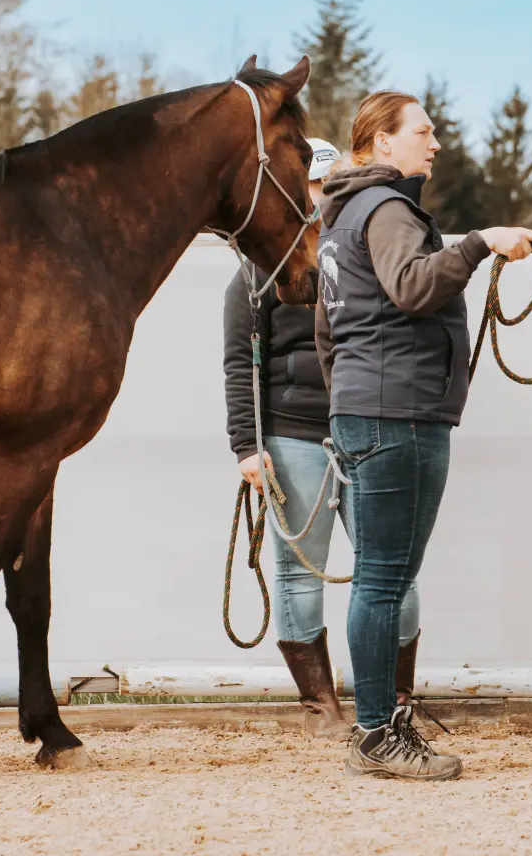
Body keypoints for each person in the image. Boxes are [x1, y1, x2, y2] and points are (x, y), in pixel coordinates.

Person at [316, 90, 532, 780]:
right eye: (423, 130)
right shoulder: (386, 209)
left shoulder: (343, 215)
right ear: (382, 143)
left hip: (372, 409)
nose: (435, 141)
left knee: (381, 580)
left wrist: (350, 398)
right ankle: (378, 733)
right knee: (385, 581)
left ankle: (380, 725)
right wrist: (480, 244)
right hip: (399, 415)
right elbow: (414, 287)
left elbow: (328, 334)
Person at [223, 136, 421, 741]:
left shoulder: (367, 246)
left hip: (364, 426)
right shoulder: (257, 273)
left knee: (393, 572)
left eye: (328, 182)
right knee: (299, 572)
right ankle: (320, 707)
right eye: (311, 184)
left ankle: (394, 699)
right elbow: (240, 362)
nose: (321, 195)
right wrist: (246, 446)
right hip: (293, 434)